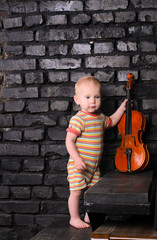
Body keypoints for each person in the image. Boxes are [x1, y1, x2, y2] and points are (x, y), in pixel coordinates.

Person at [65, 76, 127, 229]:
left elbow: (112, 121)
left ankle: (88, 216)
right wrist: (76, 158)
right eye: (87, 97)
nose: (92, 101)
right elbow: (69, 141)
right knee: (76, 192)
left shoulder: (99, 118)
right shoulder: (78, 119)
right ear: (77, 99)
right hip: (78, 165)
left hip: (93, 167)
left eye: (96, 97)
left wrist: (122, 109)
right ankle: (74, 217)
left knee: (95, 192)